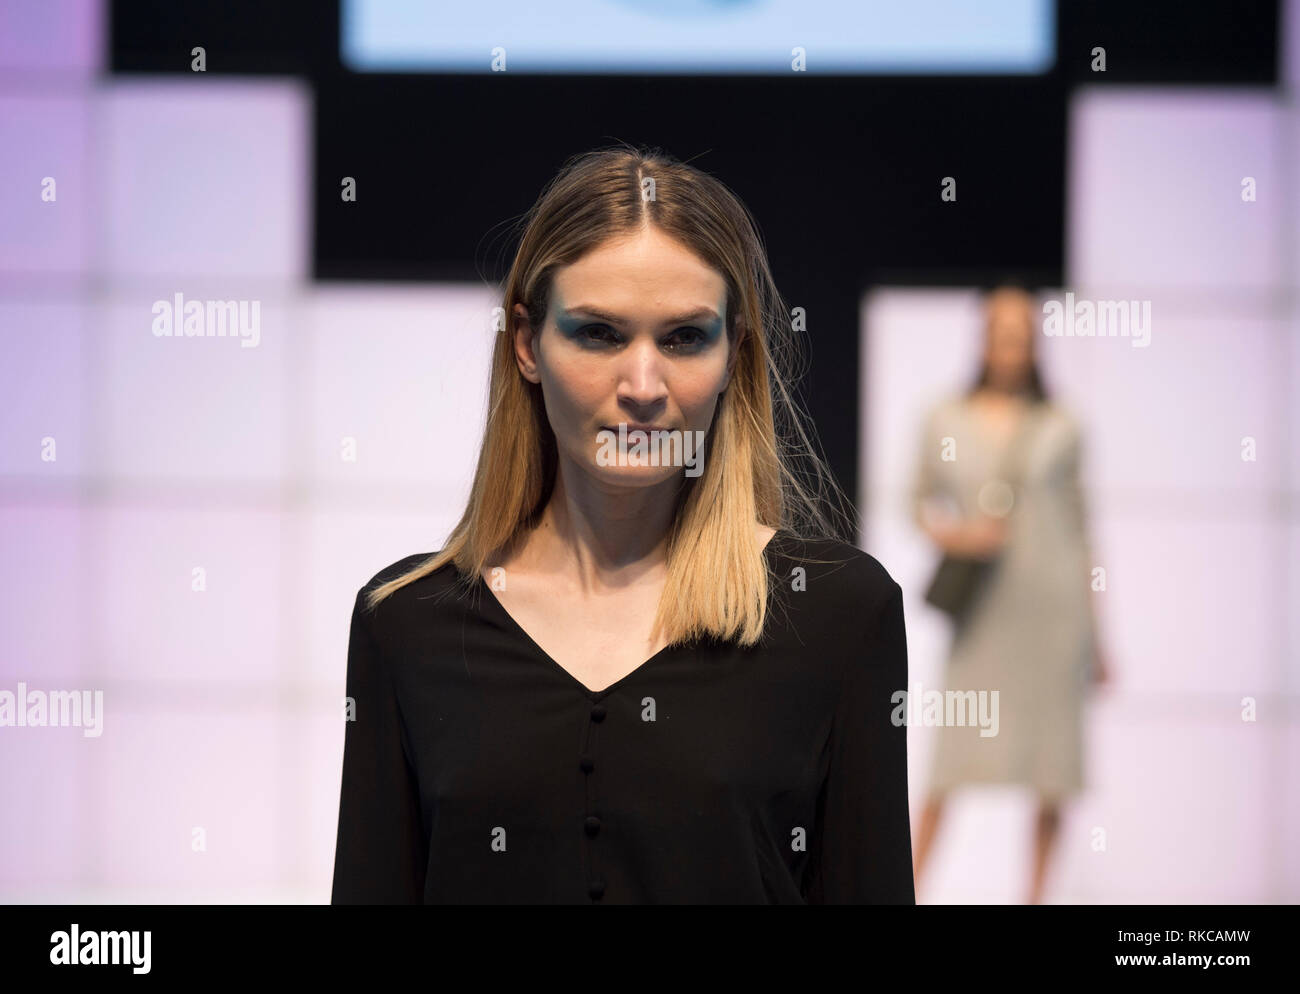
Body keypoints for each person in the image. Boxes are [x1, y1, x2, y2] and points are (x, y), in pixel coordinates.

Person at [329, 144, 913, 904]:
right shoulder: (405, 623)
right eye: (599, 334)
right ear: (525, 345)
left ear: (735, 355)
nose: (642, 387)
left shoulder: (837, 615)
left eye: (683, 338)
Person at [909, 285, 1110, 905]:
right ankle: (904, 889)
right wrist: (958, 533)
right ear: (983, 337)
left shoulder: (1062, 423)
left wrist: (1099, 638)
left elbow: (1080, 531)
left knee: (1052, 770)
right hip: (984, 613)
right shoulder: (945, 416)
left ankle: (1036, 897)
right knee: (951, 764)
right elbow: (919, 499)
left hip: (1053, 614)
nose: (1011, 344)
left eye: (1022, 333)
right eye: (1001, 331)